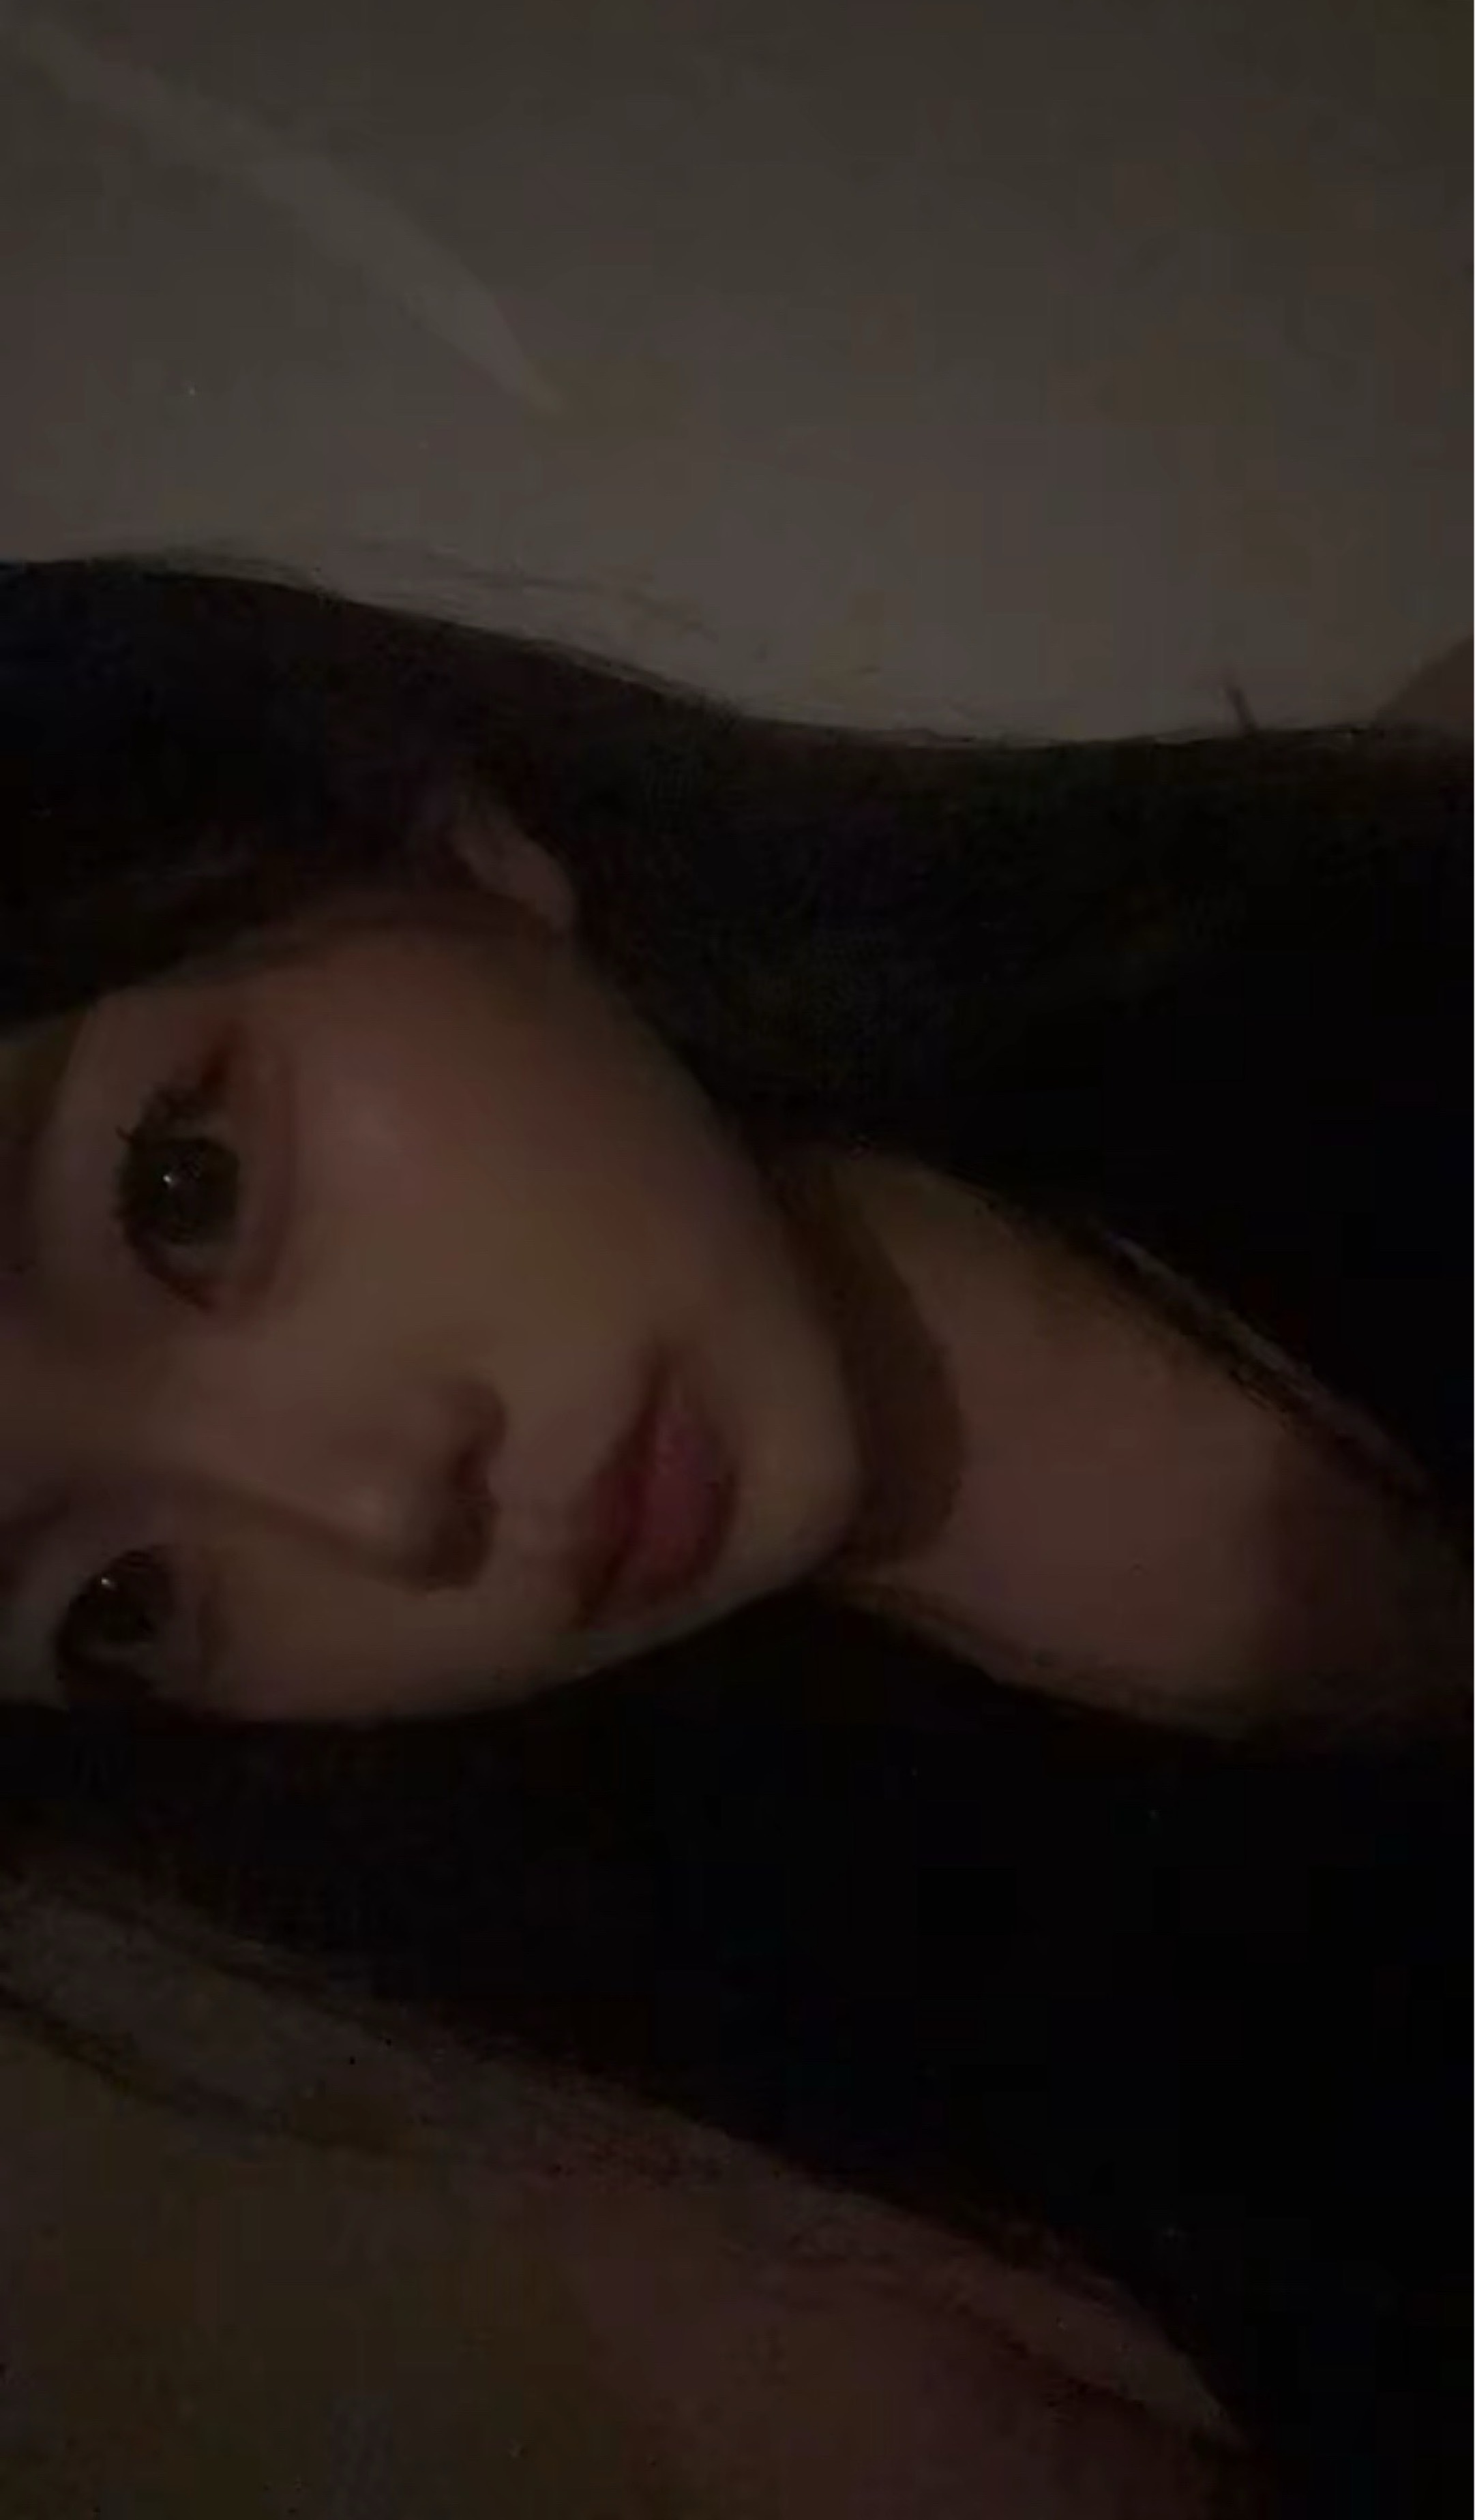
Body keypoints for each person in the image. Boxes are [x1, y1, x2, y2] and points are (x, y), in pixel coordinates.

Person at [0, 558, 1467, 2510]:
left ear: (431, 828)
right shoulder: (807, 2211)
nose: (380, 1509)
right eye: (115, 1603)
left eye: (183, 1191)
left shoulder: (1383, 898)